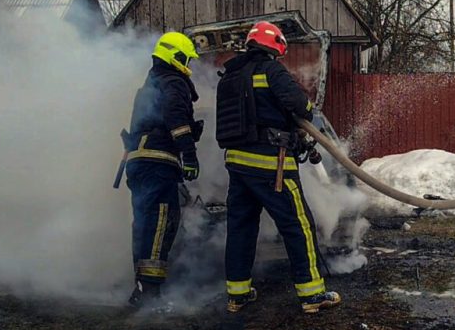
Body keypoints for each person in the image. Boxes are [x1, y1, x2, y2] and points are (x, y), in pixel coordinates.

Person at [215, 21, 341, 314]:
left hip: (237, 165)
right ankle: (312, 294)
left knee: (240, 229)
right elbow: (299, 105)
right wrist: (308, 115)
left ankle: (238, 295)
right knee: (298, 226)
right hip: (273, 165)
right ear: (274, 45)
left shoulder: (229, 78)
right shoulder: (271, 70)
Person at [123, 32, 202, 306]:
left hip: (138, 162)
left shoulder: (150, 85)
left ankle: (141, 288)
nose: (189, 64)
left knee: (144, 224)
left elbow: (156, 120)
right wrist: (189, 154)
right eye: (187, 58)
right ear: (175, 56)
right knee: (161, 222)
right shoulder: (174, 82)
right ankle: (151, 296)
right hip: (158, 162)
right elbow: (176, 118)